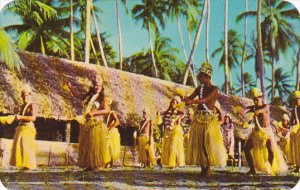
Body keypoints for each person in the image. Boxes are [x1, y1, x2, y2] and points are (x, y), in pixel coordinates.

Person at [185, 62, 227, 176]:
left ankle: (208, 168)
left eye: (201, 76)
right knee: (199, 143)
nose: (199, 78)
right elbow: (190, 98)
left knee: (207, 143)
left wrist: (192, 101)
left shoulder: (214, 89)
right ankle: (203, 168)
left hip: (209, 119)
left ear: (207, 77)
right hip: (199, 117)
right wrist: (186, 99)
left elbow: (205, 100)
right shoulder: (199, 88)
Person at [241, 88, 287, 175]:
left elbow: (262, 110)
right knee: (246, 148)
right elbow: (247, 109)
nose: (255, 101)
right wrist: (242, 112)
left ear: (261, 98)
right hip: (256, 132)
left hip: (266, 132)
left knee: (271, 150)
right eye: (254, 100)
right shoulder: (254, 107)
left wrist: (256, 111)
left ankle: (269, 168)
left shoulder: (266, 106)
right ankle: (252, 170)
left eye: (257, 99)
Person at [68, 77, 110, 171]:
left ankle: (96, 164)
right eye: (95, 85)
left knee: (95, 145)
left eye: (99, 85)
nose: (97, 87)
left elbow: (107, 110)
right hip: (88, 123)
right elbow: (79, 96)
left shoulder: (103, 97)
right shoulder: (90, 95)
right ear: (93, 86)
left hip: (96, 124)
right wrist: (71, 88)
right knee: (88, 145)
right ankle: (89, 164)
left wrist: (94, 113)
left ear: (102, 87)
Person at [10, 85, 37, 170]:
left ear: (30, 95)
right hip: (21, 127)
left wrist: (21, 117)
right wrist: (16, 117)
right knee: (19, 146)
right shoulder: (22, 106)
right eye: (23, 95)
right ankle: (23, 165)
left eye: (27, 95)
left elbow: (33, 118)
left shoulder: (32, 105)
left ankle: (29, 166)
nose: (25, 96)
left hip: (28, 128)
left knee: (27, 147)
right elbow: (21, 118)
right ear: (21, 96)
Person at [159, 96, 185, 168]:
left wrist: (179, 118)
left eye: (174, 102)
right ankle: (170, 163)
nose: (173, 103)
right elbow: (164, 112)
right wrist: (159, 113)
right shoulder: (169, 110)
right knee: (169, 146)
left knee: (174, 147)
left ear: (177, 103)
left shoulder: (178, 110)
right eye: (172, 102)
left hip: (176, 130)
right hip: (168, 130)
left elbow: (183, 114)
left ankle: (174, 163)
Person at [106, 98, 121, 168]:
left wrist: (109, 127)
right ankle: (107, 163)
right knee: (106, 148)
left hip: (111, 132)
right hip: (105, 132)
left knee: (110, 148)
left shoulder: (112, 113)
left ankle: (110, 163)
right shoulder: (104, 113)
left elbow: (117, 122)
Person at [290, 91, 300, 172]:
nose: (296, 101)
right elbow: (291, 121)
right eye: (295, 100)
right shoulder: (294, 110)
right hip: (296, 133)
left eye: (298, 99)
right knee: (296, 149)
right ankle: (297, 166)